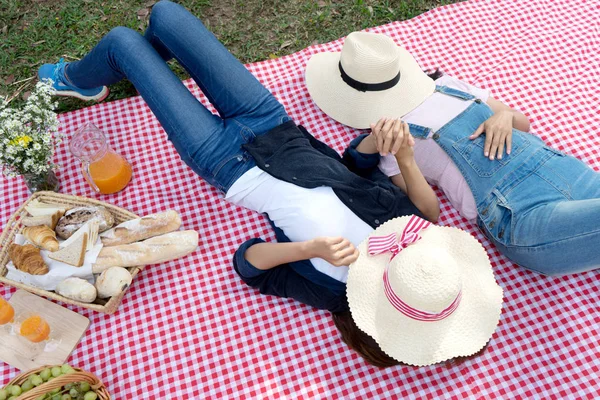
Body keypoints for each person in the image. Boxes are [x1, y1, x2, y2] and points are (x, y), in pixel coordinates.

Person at [37, 1, 446, 367]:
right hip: (273, 123)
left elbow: (249, 265)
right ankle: (144, 66)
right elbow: (356, 167)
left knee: (122, 42)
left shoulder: (334, 291)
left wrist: (309, 248)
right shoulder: (406, 232)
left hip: (226, 162)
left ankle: (80, 80)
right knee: (166, 15)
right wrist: (393, 145)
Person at [305, 31, 600, 276]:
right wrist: (406, 159)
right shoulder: (388, 136)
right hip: (519, 211)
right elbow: (428, 213)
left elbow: (521, 121)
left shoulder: (445, 86)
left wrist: (505, 117)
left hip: (566, 172)